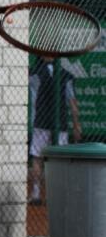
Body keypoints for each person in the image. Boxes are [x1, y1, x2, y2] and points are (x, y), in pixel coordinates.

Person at [28, 55, 81, 205]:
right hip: (61, 124)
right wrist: (77, 125)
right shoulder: (66, 76)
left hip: (41, 122)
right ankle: (55, 195)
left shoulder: (34, 74)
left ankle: (36, 193)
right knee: (59, 160)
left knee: (37, 157)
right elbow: (73, 105)